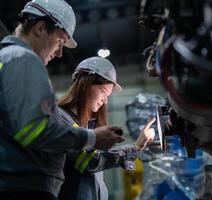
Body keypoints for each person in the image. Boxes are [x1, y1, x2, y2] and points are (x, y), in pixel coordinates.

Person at [0, 0, 124, 199]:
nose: (59, 53)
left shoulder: (7, 58)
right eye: (60, 41)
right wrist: (93, 138)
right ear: (41, 28)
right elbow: (35, 130)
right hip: (24, 189)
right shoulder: (22, 58)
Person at [57, 56, 156, 200]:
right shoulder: (61, 118)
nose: (105, 100)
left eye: (108, 95)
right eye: (103, 91)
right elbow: (89, 161)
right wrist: (134, 147)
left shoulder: (88, 124)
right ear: (86, 84)